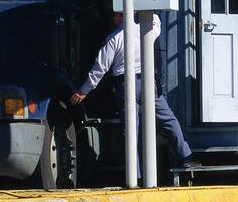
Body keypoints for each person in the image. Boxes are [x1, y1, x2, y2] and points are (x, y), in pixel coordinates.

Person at [71, 12, 200, 174]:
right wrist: (147, 9)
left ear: (119, 16)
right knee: (168, 119)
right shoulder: (145, 32)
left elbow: (100, 68)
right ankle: (186, 156)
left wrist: (84, 90)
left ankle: (135, 175)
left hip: (126, 86)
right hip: (148, 82)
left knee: (131, 130)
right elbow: (157, 23)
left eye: (114, 15)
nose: (112, 18)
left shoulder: (114, 38)